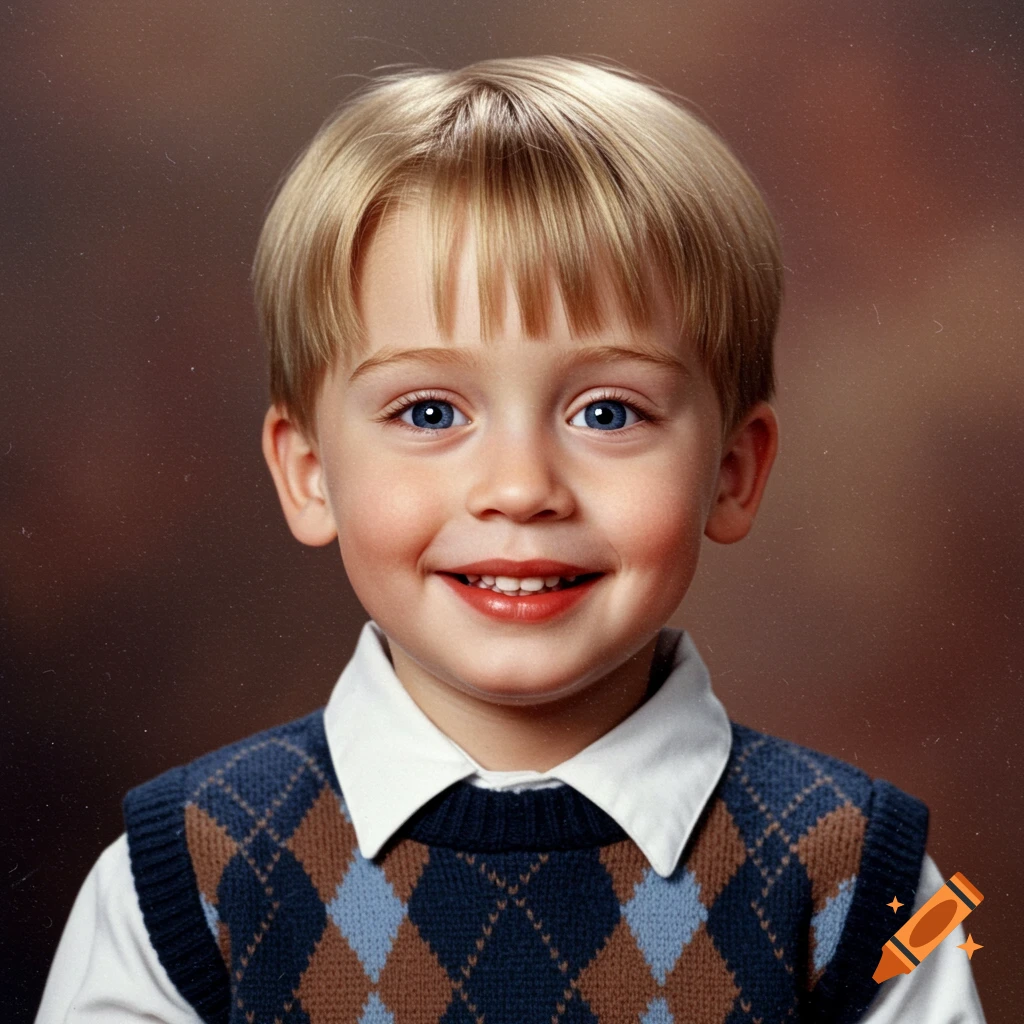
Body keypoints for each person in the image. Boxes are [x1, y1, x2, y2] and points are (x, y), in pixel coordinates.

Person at [36, 56, 985, 1023]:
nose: (522, 489)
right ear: (309, 470)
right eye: (430, 410)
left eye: (609, 412)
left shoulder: (873, 884)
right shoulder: (181, 886)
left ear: (733, 474)